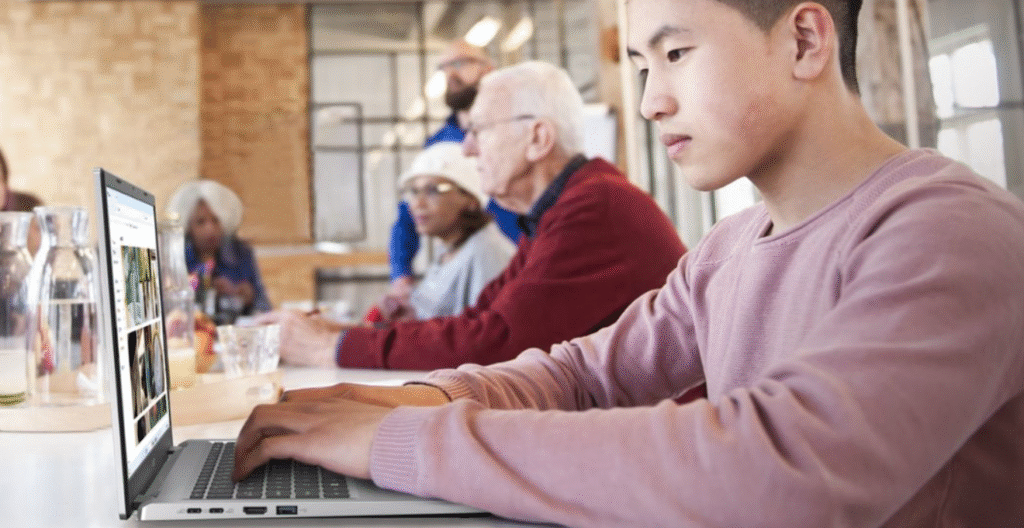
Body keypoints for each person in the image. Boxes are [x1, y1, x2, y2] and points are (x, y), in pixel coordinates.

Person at [236, 1, 1024, 525]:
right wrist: (403, 401)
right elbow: (581, 376)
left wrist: (401, 444)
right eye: (644, 67)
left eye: (677, 54)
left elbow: (776, 468)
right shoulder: (727, 250)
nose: (649, 102)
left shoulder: (951, 231)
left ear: (806, 40)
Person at [264, 61, 685, 371]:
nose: (467, 149)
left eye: (479, 130)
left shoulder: (594, 208)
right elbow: (481, 319)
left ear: (538, 138)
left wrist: (329, 350)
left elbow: (496, 343)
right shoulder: (559, 211)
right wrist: (339, 336)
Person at [388, 39, 521, 301]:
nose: (451, 74)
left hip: (517, 262)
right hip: (465, 270)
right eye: (443, 67)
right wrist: (401, 274)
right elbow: (409, 211)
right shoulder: (437, 144)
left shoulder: (515, 131)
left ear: (488, 69)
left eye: (460, 63)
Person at [367, 142, 515, 324]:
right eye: (414, 191)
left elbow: (483, 336)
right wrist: (408, 315)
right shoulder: (448, 249)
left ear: (470, 199)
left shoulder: (486, 252)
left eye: (432, 190)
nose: (417, 204)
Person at [166, 180, 271, 322]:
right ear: (188, 226)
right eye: (200, 222)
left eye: (216, 220)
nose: (210, 229)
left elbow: (265, 308)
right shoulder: (174, 258)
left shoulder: (242, 253)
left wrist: (248, 299)